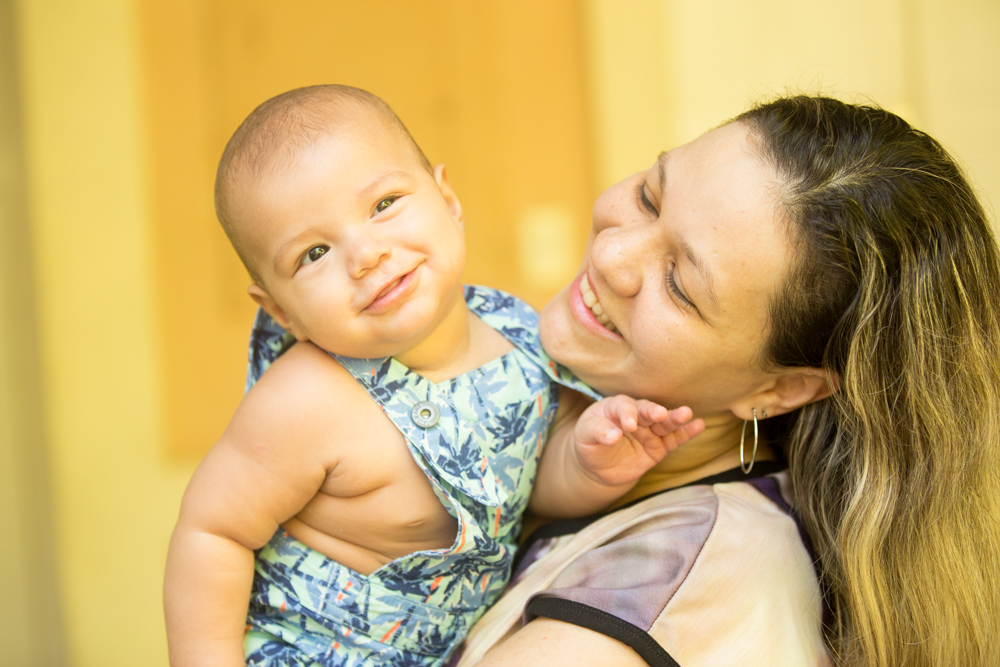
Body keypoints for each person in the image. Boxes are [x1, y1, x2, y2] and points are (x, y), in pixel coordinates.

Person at [162, 85, 704, 667]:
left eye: (383, 203)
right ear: (280, 311)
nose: (366, 255)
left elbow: (515, 493)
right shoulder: (306, 399)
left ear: (448, 200)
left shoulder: (517, 335)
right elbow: (212, 533)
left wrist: (586, 461)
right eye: (314, 253)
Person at [450, 96, 1000, 667]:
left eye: (680, 286)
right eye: (649, 197)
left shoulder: (674, 588)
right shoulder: (544, 410)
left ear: (780, 390)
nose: (611, 254)